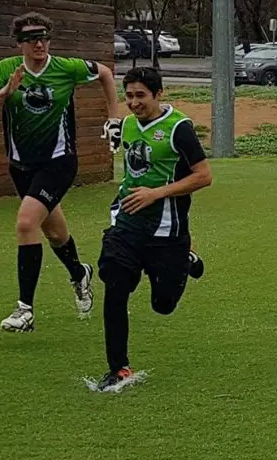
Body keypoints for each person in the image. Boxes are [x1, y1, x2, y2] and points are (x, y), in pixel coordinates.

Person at [0, 12, 122, 332]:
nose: (39, 43)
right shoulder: (4, 71)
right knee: (54, 233)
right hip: (21, 167)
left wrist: (113, 120)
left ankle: (24, 309)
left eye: (43, 36)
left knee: (27, 223)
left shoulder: (66, 68)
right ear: (19, 44)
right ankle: (80, 274)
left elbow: (106, 73)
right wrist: (2, 94)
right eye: (31, 38)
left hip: (59, 162)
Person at [87, 67, 211, 392]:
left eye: (140, 95)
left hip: (167, 231)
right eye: (128, 96)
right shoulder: (126, 125)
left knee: (163, 305)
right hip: (126, 222)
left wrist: (156, 193)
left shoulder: (178, 129)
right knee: (114, 285)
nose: (133, 103)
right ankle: (118, 368)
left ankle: (186, 258)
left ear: (158, 94)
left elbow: (203, 176)